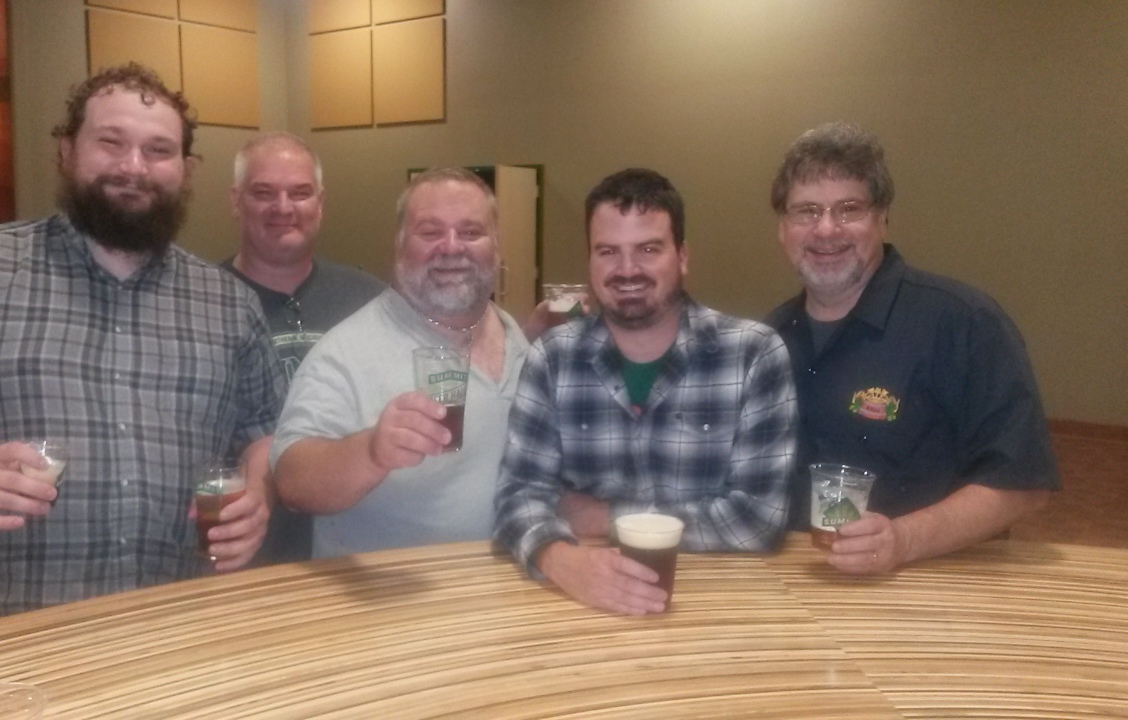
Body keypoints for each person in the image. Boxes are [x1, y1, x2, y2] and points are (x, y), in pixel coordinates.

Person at [0, 63, 281, 627]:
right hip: (6, 636)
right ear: (67, 151)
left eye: (158, 150)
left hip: (176, 629)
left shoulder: (229, 302)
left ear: (186, 169)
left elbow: (265, 429)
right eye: (110, 142)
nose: (133, 167)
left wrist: (257, 492)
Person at [494, 168, 797, 616]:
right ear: (590, 261)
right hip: (582, 603)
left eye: (648, 249)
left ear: (683, 256)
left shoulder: (753, 354)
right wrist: (559, 560)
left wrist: (604, 517)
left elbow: (757, 520)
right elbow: (517, 496)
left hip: (718, 607)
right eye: (608, 252)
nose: (627, 269)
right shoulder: (552, 358)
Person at [764, 122, 1060, 575]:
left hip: (929, 585)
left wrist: (904, 541)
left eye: (849, 209)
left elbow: (1021, 484)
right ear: (783, 228)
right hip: (797, 584)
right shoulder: (767, 340)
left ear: (882, 218)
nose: (826, 229)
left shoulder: (964, 323)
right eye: (806, 211)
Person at [272, 167, 530, 558]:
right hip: (394, 594)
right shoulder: (344, 353)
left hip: (511, 583)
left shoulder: (514, 335)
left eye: (470, 232)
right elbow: (292, 482)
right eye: (430, 232)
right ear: (399, 244)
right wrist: (370, 451)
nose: (451, 247)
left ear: (496, 246)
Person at [221, 132, 385, 563]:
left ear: (320, 203)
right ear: (236, 201)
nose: (283, 208)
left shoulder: (370, 300)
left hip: (352, 543)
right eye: (263, 193)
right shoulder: (203, 302)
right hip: (241, 545)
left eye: (300, 193)